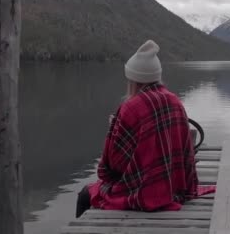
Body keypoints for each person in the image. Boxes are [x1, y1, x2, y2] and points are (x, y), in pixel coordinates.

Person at [76, 40, 206, 218]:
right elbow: (185, 151)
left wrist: (114, 130)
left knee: (85, 195)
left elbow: (114, 166)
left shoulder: (130, 108)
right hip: (176, 187)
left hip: (143, 191)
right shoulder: (175, 101)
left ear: (133, 79)